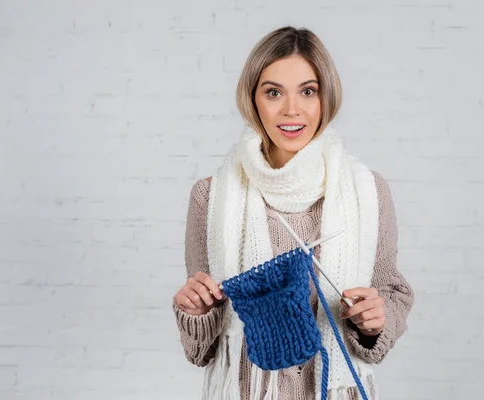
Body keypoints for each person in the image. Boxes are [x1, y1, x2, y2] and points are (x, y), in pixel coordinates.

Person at [172, 26, 414, 400]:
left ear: (325, 98)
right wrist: (196, 310)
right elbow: (201, 349)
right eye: (273, 92)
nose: (291, 109)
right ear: (253, 100)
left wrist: (374, 322)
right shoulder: (211, 196)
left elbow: (391, 292)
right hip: (246, 390)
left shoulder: (368, 191)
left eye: (308, 91)